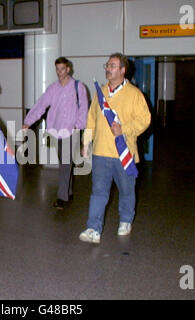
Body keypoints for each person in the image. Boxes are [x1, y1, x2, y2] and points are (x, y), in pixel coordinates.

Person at [79, 52, 151, 243]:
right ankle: (93, 228)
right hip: (101, 152)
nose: (108, 69)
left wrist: (124, 129)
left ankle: (126, 219)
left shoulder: (134, 94)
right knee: (98, 192)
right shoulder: (100, 93)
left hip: (124, 154)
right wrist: (86, 142)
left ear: (122, 70)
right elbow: (91, 119)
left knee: (127, 191)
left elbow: (144, 120)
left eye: (112, 66)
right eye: (107, 65)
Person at [23, 57, 88, 210]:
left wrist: (78, 127)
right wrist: (28, 121)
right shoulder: (53, 88)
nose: (59, 72)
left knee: (65, 164)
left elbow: (84, 108)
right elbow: (41, 105)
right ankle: (68, 191)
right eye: (57, 69)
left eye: (62, 69)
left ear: (68, 69)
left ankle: (62, 197)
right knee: (65, 163)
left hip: (71, 131)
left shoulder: (79, 87)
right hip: (57, 130)